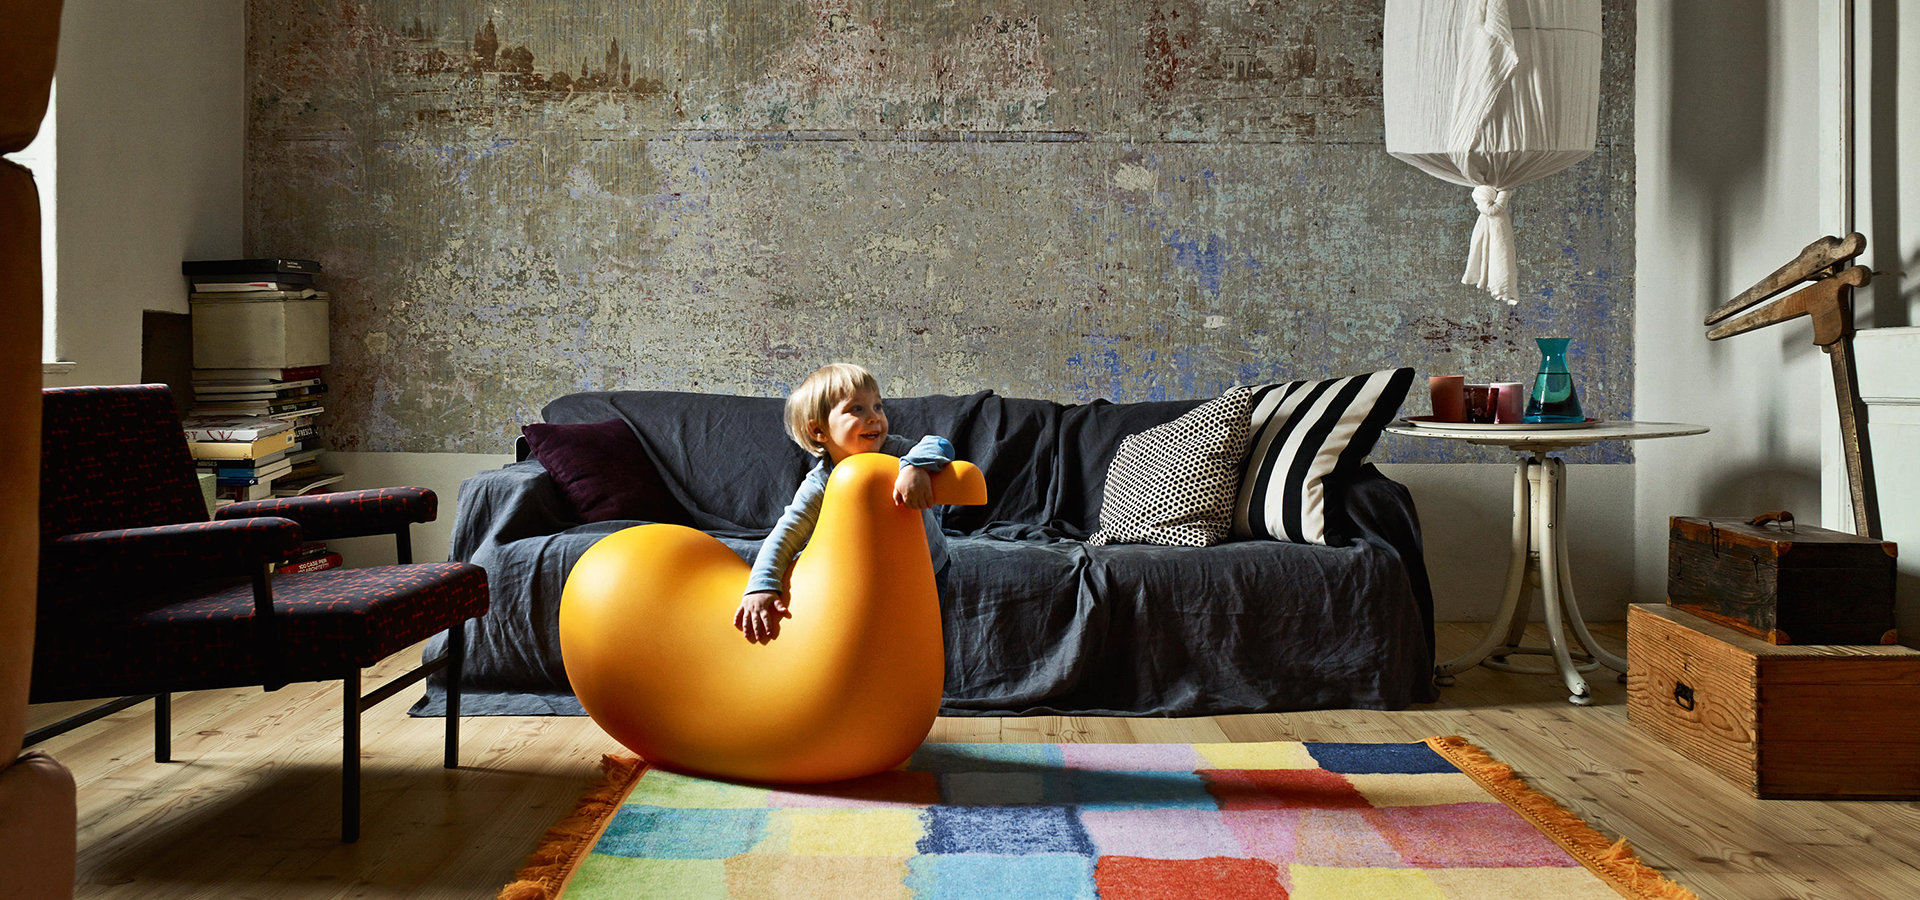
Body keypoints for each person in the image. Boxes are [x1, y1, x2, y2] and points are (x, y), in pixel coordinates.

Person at [734, 363, 955, 643]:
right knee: (873, 639)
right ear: (819, 430)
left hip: (927, 566)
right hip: (862, 575)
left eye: (878, 406)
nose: (874, 417)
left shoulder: (896, 452)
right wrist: (761, 585)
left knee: (923, 638)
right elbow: (786, 533)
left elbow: (939, 444)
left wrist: (915, 466)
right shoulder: (821, 483)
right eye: (857, 409)